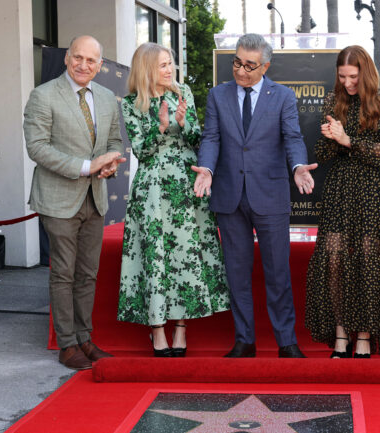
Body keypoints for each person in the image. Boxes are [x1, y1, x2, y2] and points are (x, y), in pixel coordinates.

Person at [192, 33, 318, 358]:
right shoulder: (218, 96)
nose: (241, 71)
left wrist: (299, 166)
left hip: (270, 194)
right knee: (237, 272)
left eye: (249, 65)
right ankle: (244, 340)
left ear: (265, 66)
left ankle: (286, 341)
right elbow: (211, 138)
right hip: (229, 197)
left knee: (277, 272)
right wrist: (206, 168)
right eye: (237, 62)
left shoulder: (283, 97)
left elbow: (292, 137)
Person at [305, 45, 380, 359]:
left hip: (372, 192)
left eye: (352, 76)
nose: (347, 83)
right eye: (342, 76)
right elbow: (322, 154)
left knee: (369, 260)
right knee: (334, 259)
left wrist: (348, 141)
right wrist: (331, 139)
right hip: (340, 189)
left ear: (365, 72)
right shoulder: (334, 100)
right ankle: (341, 334)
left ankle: (365, 337)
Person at [116, 43, 230, 357]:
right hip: (153, 189)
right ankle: (157, 330)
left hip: (186, 185)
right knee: (155, 256)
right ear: (147, 69)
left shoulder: (184, 93)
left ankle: (180, 328)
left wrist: (182, 122)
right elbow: (141, 150)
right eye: (163, 65)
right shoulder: (130, 103)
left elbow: (199, 138)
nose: (170, 70)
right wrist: (162, 126)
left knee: (185, 256)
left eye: (171, 64)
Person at [24, 35, 125, 370]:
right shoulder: (43, 95)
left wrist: (110, 162)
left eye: (91, 60)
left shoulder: (109, 98)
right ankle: (67, 345)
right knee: (64, 273)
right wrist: (86, 166)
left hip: (94, 197)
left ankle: (85, 339)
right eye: (78, 58)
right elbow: (37, 148)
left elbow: (113, 141)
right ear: (67, 58)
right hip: (59, 197)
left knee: (87, 274)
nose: (84, 65)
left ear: (100, 64)